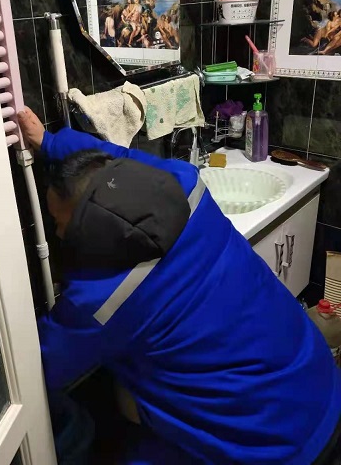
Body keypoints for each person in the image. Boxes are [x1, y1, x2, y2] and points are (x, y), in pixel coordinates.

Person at [18, 107, 341, 465]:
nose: (57, 232)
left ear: (86, 230)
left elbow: (37, 370)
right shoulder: (186, 186)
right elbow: (119, 157)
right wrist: (51, 142)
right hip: (319, 383)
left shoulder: (101, 301)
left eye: (61, 223)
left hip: (276, 448)